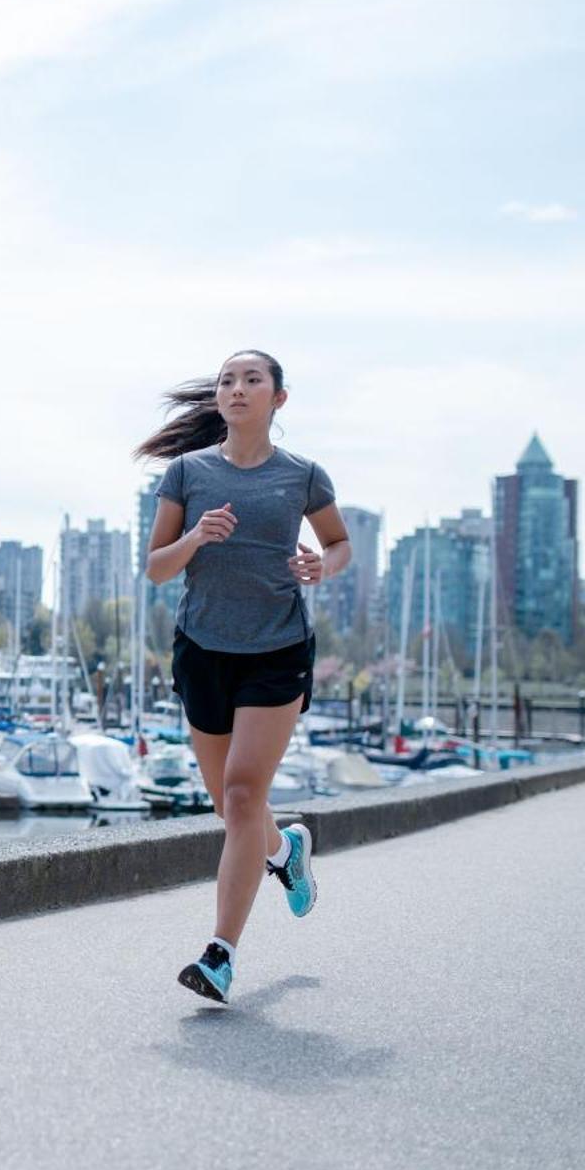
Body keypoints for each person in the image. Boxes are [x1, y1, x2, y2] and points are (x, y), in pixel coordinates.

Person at [136, 350, 351, 1004]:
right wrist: (197, 536)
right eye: (228, 379)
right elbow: (156, 568)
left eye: (252, 379)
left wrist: (324, 567)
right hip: (203, 648)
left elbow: (338, 543)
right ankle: (286, 852)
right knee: (234, 809)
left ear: (278, 399)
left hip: (276, 650)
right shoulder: (186, 473)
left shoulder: (302, 476)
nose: (237, 388)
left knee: (239, 795)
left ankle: (220, 955)